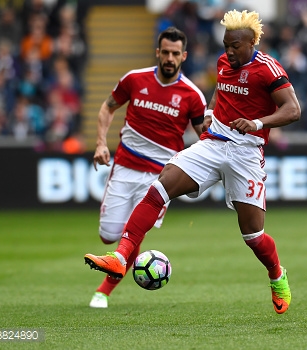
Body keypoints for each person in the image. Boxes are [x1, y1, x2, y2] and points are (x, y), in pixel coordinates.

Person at [84, 9, 301, 314]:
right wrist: (212, 114)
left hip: (247, 153)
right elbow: (220, 93)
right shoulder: (225, 62)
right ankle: (119, 259)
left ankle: (277, 274)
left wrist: (256, 123)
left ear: (251, 42)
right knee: (161, 187)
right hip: (214, 143)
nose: (228, 51)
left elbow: (293, 110)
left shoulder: (268, 68)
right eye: (225, 44)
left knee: (253, 235)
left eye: (234, 46)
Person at [88, 27, 207, 308]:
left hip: (160, 176)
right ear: (157, 52)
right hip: (125, 167)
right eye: (165, 52)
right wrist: (100, 143)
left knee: (134, 231)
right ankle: (117, 260)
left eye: (175, 54)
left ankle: (103, 291)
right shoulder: (134, 79)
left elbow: (206, 138)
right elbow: (107, 107)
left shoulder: (192, 95)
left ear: (184, 56)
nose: (169, 57)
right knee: (108, 235)